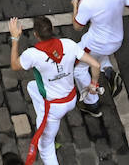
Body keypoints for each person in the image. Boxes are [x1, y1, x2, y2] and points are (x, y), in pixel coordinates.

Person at [8, 14, 102, 165]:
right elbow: (96, 65)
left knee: (45, 148)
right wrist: (94, 84)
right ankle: (42, 116)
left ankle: (44, 122)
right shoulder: (69, 45)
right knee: (32, 87)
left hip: (53, 108)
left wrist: (15, 39)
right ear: (52, 29)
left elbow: (14, 65)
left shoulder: (33, 54)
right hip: (71, 99)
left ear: (35, 35)